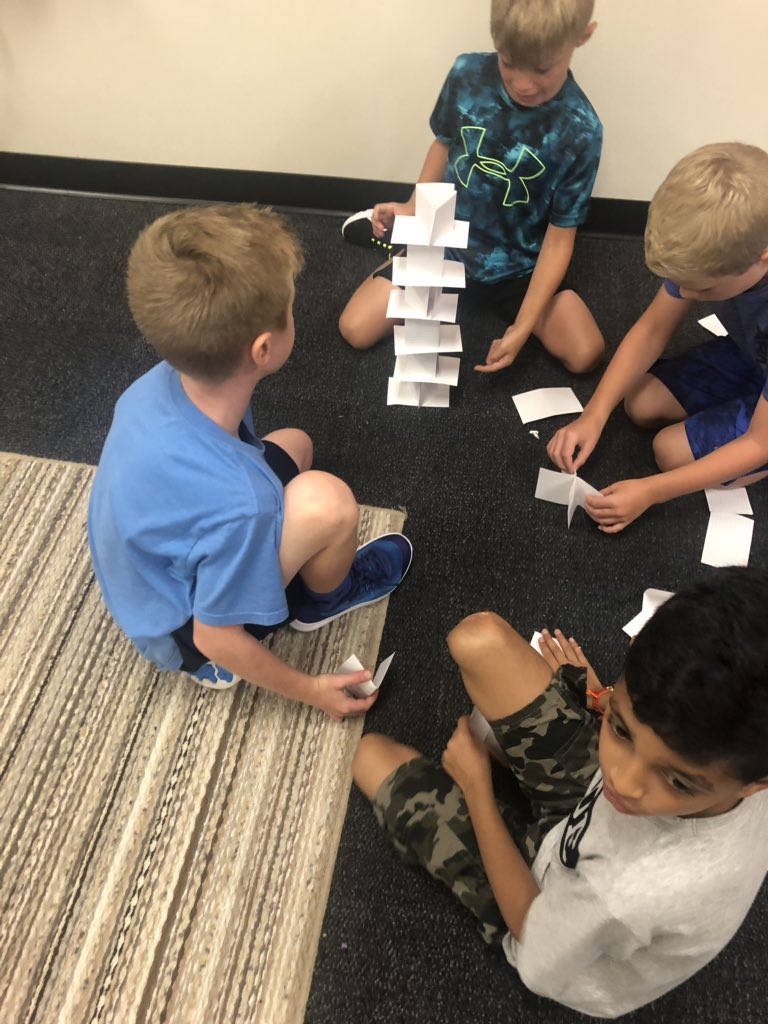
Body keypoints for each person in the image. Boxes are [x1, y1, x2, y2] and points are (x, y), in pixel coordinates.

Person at [352, 568, 768, 1019]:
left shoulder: (625, 892)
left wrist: (477, 789)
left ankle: (511, 769)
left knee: (367, 756)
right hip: (582, 825)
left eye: (679, 781)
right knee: (478, 639)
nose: (621, 781)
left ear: (755, 785)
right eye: (622, 729)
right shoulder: (737, 758)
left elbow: (533, 943)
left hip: (549, 912)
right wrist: (603, 696)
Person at [88, 204, 412, 719]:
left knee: (296, 445)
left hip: (151, 578)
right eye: (291, 306)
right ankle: (321, 601)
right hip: (189, 632)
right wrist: (312, 690)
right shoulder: (243, 503)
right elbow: (214, 635)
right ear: (263, 349)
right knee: (329, 502)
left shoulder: (154, 385)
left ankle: (278, 570)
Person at [338, 0, 605, 375]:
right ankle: (401, 248)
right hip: (448, 243)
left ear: (583, 37)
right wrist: (412, 207)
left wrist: (522, 327)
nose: (523, 84)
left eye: (542, 68)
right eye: (508, 62)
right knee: (355, 328)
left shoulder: (582, 130)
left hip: (520, 267)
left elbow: (560, 240)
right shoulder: (467, 73)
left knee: (585, 352)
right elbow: (444, 143)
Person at [548, 142, 768, 532]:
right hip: (751, 352)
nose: (688, 294)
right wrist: (593, 415)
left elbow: (758, 443)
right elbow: (652, 331)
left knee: (670, 453)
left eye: (704, 289)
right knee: (640, 402)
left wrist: (651, 491)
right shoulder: (717, 250)